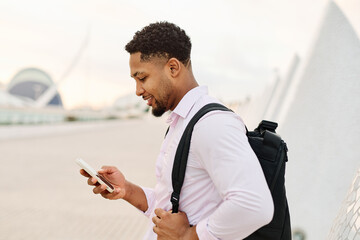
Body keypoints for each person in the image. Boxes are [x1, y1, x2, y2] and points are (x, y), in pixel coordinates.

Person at [80, 21, 274, 240]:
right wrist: (126, 190)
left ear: (173, 68)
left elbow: (255, 205)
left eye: (142, 78)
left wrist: (188, 235)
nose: (137, 90)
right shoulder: (184, 121)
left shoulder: (212, 124)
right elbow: (170, 207)